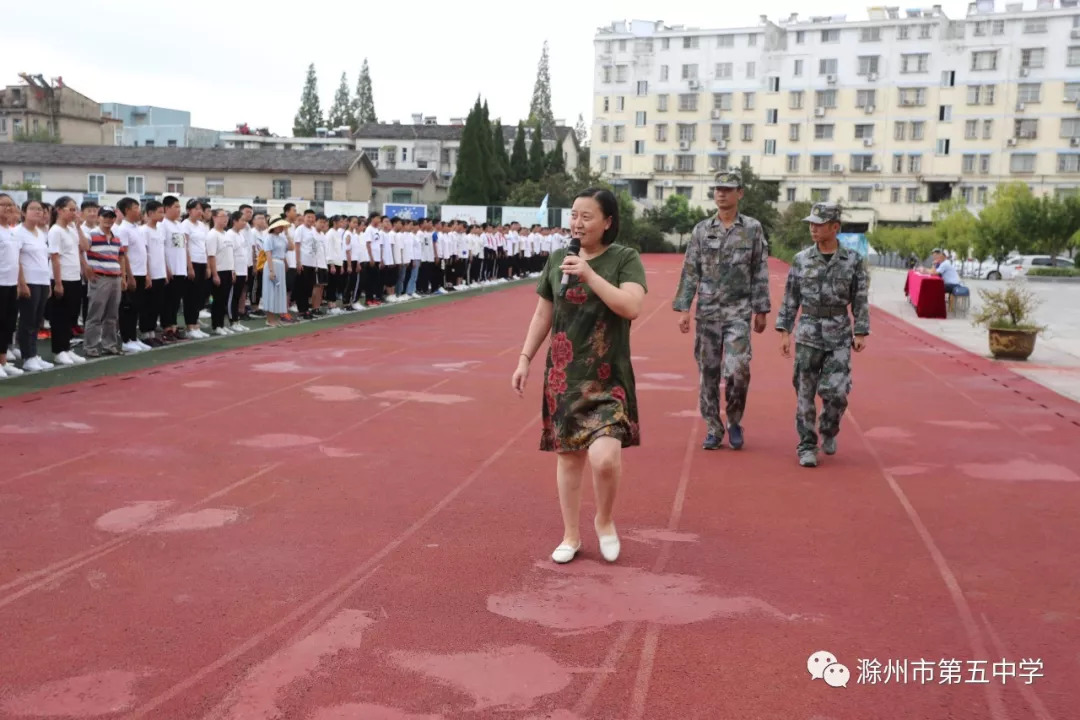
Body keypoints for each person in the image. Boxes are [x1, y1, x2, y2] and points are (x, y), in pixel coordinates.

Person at [512, 188, 647, 565]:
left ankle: (604, 520)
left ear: (608, 222)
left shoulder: (625, 259)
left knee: (604, 458)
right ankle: (570, 535)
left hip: (608, 377)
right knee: (569, 458)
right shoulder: (558, 259)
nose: (577, 223)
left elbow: (632, 306)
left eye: (587, 217)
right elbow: (543, 315)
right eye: (574, 215)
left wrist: (589, 274)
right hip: (564, 376)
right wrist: (524, 358)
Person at [672, 169, 771, 451]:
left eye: (727, 189)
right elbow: (691, 270)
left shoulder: (752, 228)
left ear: (739, 193)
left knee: (738, 370)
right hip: (708, 313)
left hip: (739, 312)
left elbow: (759, 269)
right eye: (717, 189)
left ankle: (735, 420)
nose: (721, 193)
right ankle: (713, 427)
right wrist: (684, 309)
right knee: (709, 373)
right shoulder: (702, 230)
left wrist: (761, 309)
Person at [775, 202, 870, 468]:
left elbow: (860, 298)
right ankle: (806, 445)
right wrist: (785, 331)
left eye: (819, 224)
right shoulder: (801, 259)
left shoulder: (853, 260)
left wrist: (861, 330)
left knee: (837, 392)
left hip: (839, 333)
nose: (813, 228)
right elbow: (791, 297)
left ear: (835, 227)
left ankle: (828, 428)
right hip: (807, 333)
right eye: (811, 223)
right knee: (805, 392)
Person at [260, 216, 293, 326]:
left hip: (280, 264)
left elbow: (291, 247)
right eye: (279, 226)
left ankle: (275, 317)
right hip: (272, 264)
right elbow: (268, 254)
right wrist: (271, 271)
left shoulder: (282, 238)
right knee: (271, 292)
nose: (281, 227)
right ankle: (269, 319)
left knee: (279, 292)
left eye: (282, 225)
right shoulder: (269, 237)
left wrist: (288, 234)